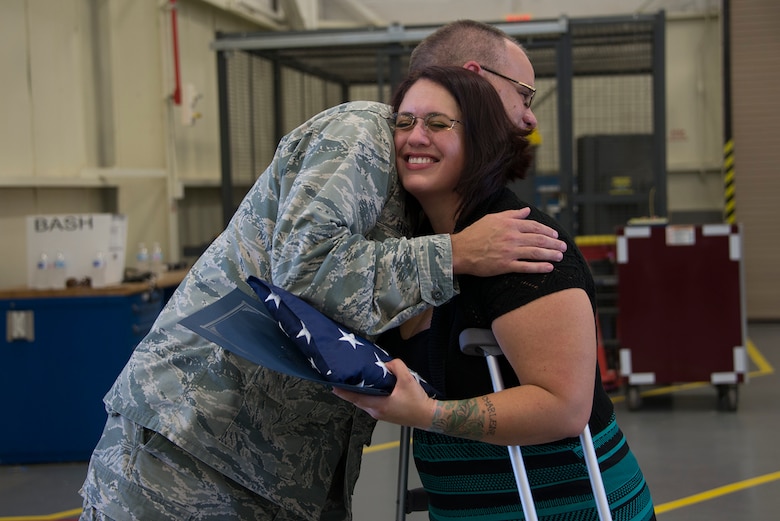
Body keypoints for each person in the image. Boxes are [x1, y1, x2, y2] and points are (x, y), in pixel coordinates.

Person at [78, 20, 567, 521]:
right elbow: (303, 268)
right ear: (475, 76)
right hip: (195, 452)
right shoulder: (363, 132)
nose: (529, 118)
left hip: (278, 470)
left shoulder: (421, 189)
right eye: (524, 94)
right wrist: (454, 254)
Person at [333, 66, 656, 520]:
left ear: (480, 140)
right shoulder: (409, 245)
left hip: (567, 507)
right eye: (404, 122)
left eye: (438, 123)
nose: (414, 137)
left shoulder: (525, 242)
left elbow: (564, 408)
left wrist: (427, 414)